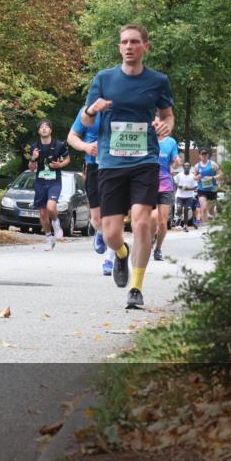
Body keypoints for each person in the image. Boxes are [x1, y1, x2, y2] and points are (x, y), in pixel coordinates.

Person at [81, 24, 174, 311]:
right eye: (124, 42)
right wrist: (93, 110)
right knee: (110, 232)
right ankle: (121, 253)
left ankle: (136, 287)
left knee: (143, 221)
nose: (129, 46)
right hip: (110, 163)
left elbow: (168, 117)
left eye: (135, 41)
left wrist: (164, 126)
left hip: (145, 160)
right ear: (119, 47)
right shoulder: (104, 79)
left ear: (145, 46)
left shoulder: (158, 81)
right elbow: (85, 122)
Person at [68, 105, 116, 274]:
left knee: (113, 215)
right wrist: (86, 147)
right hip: (93, 166)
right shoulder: (87, 110)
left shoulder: (123, 107)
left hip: (116, 167)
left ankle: (109, 259)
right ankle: (101, 232)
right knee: (96, 219)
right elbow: (72, 137)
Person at [29, 120, 70, 251]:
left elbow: (68, 159)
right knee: (42, 213)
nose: (44, 129)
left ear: (51, 130)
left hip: (54, 181)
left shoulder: (59, 145)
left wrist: (60, 165)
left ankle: (56, 224)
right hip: (40, 182)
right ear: (38, 131)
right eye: (42, 127)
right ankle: (48, 238)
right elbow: (31, 168)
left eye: (47, 127)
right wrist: (33, 158)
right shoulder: (35, 146)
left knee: (51, 208)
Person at [151, 133, 181, 261]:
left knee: (163, 222)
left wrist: (176, 163)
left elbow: (176, 159)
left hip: (165, 185)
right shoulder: (147, 138)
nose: (156, 126)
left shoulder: (171, 142)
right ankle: (151, 237)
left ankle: (158, 248)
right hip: (148, 183)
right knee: (152, 217)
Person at [192, 148, 221, 226]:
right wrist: (197, 177)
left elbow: (221, 174)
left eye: (205, 154)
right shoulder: (197, 166)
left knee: (211, 210)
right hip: (202, 189)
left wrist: (212, 178)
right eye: (202, 154)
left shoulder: (213, 164)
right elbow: (194, 177)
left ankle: (211, 222)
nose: (204, 156)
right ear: (199, 156)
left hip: (212, 189)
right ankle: (205, 225)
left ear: (208, 155)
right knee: (204, 208)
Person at [174, 162, 198, 230]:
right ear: (183, 167)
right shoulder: (179, 175)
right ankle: (178, 221)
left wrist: (187, 188)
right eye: (185, 166)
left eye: (188, 166)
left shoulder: (192, 176)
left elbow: (195, 187)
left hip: (189, 196)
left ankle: (185, 225)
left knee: (186, 210)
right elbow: (175, 181)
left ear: (190, 167)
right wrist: (178, 186)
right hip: (179, 196)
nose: (186, 167)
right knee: (179, 209)